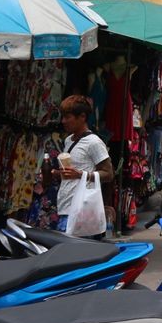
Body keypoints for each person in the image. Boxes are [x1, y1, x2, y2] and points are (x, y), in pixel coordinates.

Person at [53, 95, 112, 239]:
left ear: (82, 117)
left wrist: (80, 174)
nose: (63, 121)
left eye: (68, 117)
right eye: (63, 117)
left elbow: (109, 174)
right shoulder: (68, 140)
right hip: (66, 207)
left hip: (82, 211)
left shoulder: (94, 142)